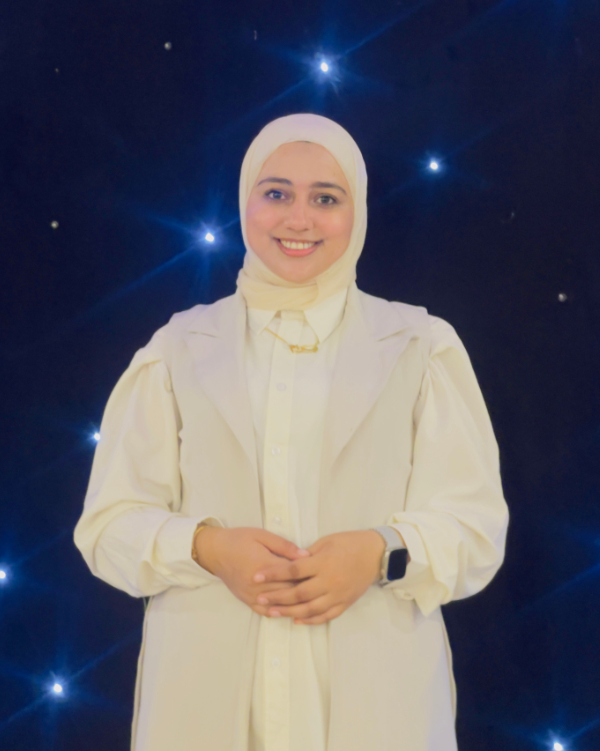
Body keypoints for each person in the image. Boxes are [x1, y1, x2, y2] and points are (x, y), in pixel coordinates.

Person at [73, 113, 509, 751]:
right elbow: (107, 526)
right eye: (276, 193)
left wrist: (380, 552)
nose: (298, 219)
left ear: (356, 211)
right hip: (205, 705)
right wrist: (206, 547)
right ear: (245, 202)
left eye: (325, 199)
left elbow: (475, 529)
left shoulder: (420, 346)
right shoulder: (178, 348)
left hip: (378, 705)